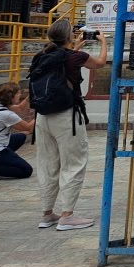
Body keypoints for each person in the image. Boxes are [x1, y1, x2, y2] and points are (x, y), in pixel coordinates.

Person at [30, 19, 106, 231]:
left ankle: (47, 213)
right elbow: (100, 63)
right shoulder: (74, 57)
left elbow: (65, 58)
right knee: (73, 163)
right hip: (66, 116)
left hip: (42, 116)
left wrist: (76, 47)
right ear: (69, 37)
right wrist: (103, 42)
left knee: (47, 163)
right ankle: (67, 215)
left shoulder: (41, 56)